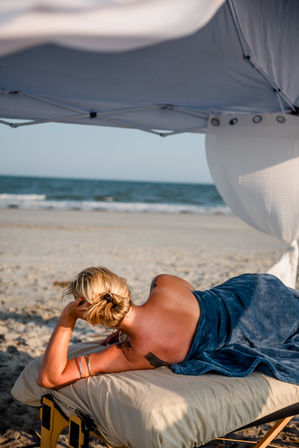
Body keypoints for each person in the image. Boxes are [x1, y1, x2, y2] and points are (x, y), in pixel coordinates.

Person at [37, 266, 299, 389]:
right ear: (122, 286)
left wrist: (66, 318)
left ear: (93, 316)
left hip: (263, 326)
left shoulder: (134, 353)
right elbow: (194, 296)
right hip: (258, 290)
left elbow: (50, 378)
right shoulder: (162, 284)